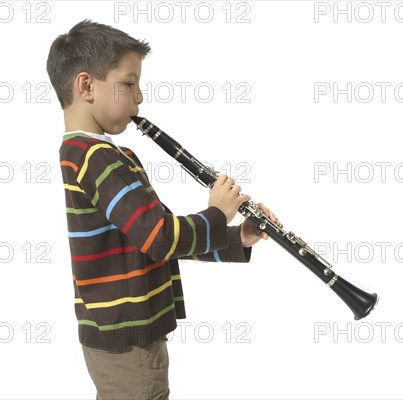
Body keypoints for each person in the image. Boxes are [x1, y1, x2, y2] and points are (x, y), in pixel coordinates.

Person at [46, 19, 281, 400]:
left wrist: (237, 236)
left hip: (121, 334)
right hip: (127, 342)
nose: (138, 99)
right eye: (128, 84)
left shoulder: (102, 156)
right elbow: (161, 238)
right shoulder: (98, 159)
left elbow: (159, 239)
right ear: (86, 86)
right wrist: (218, 214)